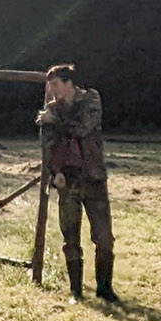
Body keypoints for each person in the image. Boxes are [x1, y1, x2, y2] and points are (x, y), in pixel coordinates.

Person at [39, 62, 114, 303]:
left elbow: (82, 128)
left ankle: (105, 288)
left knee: (104, 237)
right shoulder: (51, 111)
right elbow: (48, 146)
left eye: (55, 84)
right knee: (70, 238)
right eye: (49, 85)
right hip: (68, 180)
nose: (51, 90)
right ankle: (76, 291)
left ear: (69, 83)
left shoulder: (91, 99)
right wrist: (54, 172)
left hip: (93, 178)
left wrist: (53, 119)